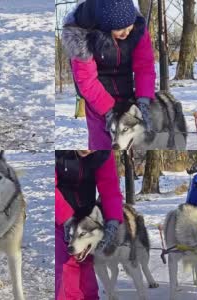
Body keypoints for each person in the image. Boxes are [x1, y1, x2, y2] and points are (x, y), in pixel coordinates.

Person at [62, 0, 156, 150]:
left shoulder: (137, 29)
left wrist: (143, 100)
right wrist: (107, 109)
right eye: (119, 29)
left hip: (128, 94)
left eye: (129, 26)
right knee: (104, 144)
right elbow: (86, 81)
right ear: (105, 26)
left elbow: (144, 66)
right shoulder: (82, 39)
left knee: (136, 141)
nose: (126, 32)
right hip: (97, 99)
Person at [55, 150, 124, 299]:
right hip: (60, 217)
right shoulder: (58, 153)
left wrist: (112, 220)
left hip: (88, 219)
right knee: (66, 274)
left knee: (87, 282)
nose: (88, 149)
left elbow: (110, 188)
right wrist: (65, 217)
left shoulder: (103, 151)